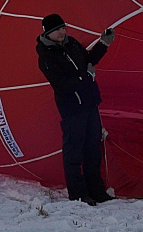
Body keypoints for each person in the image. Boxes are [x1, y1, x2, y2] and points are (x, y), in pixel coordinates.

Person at [36, 13, 114, 204]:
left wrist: (103, 44)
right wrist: (85, 77)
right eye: (58, 30)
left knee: (93, 149)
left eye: (63, 28)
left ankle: (96, 191)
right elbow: (61, 85)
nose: (63, 32)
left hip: (89, 103)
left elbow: (88, 59)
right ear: (48, 33)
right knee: (74, 151)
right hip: (72, 109)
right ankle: (78, 193)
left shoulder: (72, 44)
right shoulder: (46, 57)